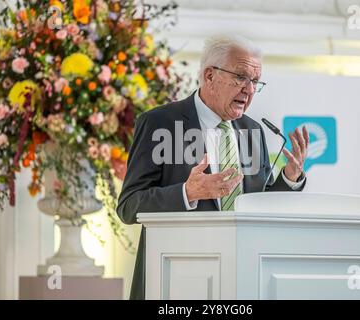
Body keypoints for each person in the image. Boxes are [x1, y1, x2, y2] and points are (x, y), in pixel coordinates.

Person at [116, 34, 309, 300]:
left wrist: (289, 178)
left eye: (255, 81)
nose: (250, 89)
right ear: (209, 76)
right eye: (241, 77)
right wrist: (187, 193)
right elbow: (129, 206)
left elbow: (260, 206)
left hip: (240, 280)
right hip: (174, 282)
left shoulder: (252, 131)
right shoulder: (160, 123)